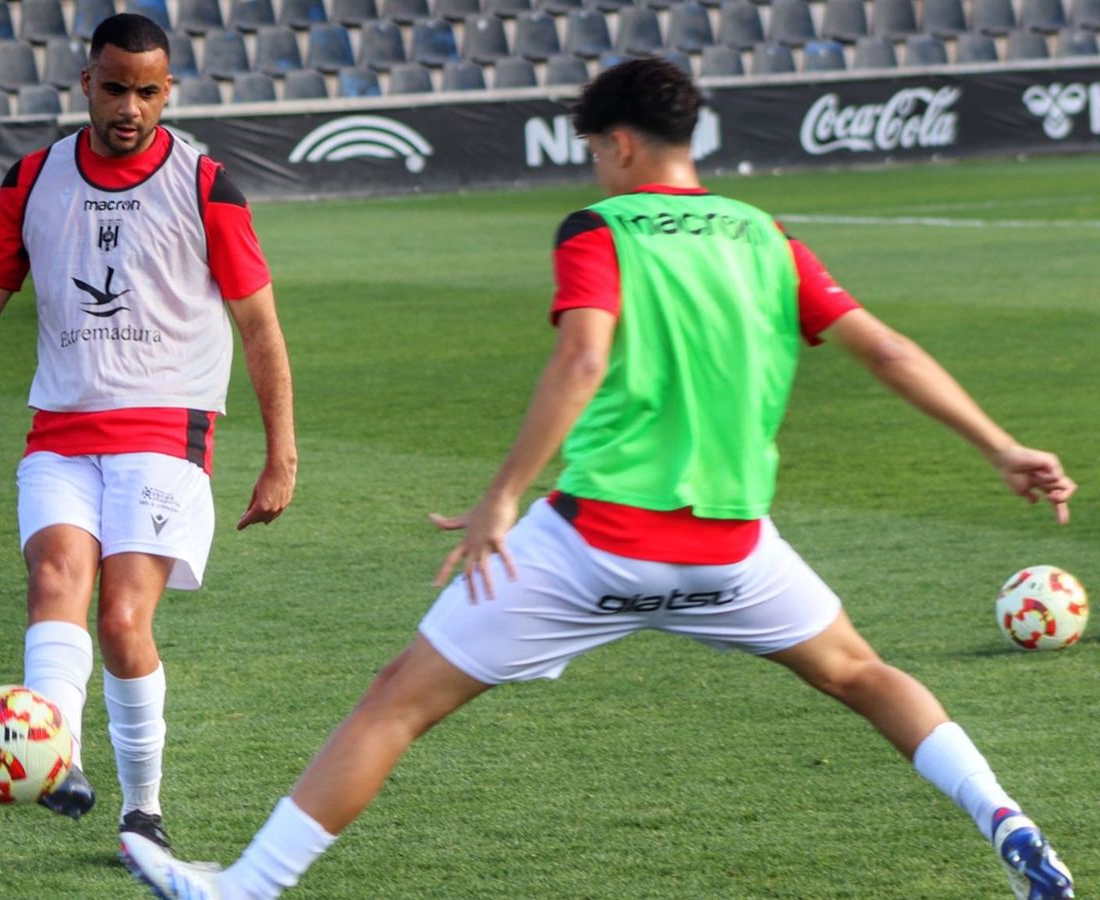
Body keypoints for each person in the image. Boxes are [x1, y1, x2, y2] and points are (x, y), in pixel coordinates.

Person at [121, 58, 1077, 900]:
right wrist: (1000, 446)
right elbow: (890, 350)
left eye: (593, 148)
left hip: (593, 542)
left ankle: (243, 890)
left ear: (619, 144)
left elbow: (582, 361)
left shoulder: (601, 225)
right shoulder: (764, 237)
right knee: (864, 674)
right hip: (734, 552)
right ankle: (1008, 822)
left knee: (398, 700)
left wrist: (501, 497)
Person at [0, 13, 296, 852]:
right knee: (55, 576)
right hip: (59, 433)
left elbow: (259, 329)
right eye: (115, 87)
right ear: (86, 82)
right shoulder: (33, 178)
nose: (131, 107)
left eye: (148, 91)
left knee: (122, 618)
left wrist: (280, 456)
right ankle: (61, 761)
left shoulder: (208, 185)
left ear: (168, 92)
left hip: (167, 432)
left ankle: (144, 808)